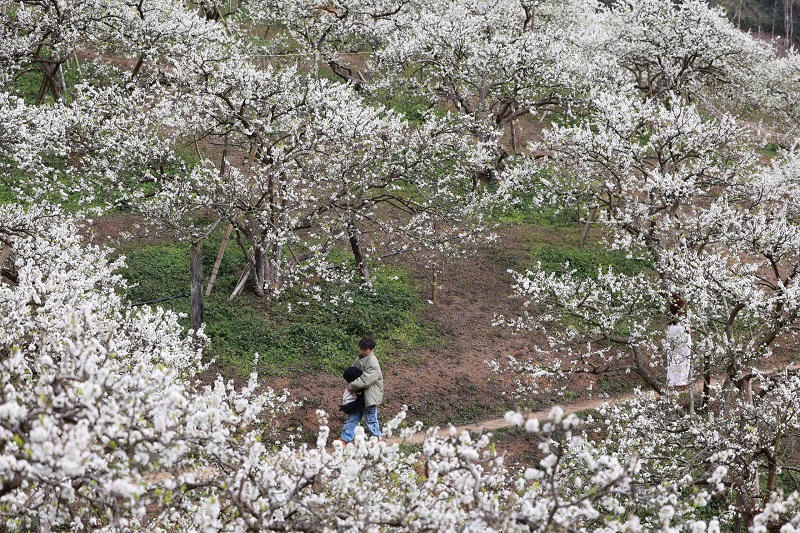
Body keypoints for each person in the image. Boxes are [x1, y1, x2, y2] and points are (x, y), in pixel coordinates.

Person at [339, 336, 384, 443]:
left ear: (371, 349)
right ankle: (345, 438)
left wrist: (351, 387)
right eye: (361, 349)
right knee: (353, 416)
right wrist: (353, 387)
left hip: (370, 394)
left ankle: (376, 439)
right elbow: (353, 371)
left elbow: (366, 379)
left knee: (371, 418)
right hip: (361, 392)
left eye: (365, 349)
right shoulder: (360, 358)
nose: (362, 351)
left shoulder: (373, 362)